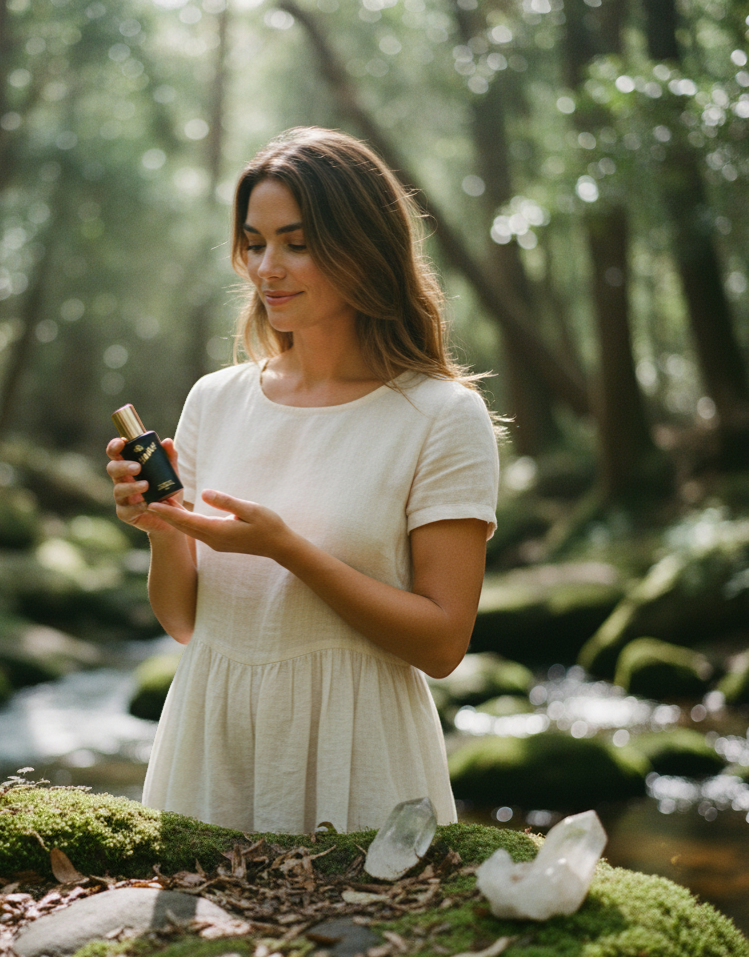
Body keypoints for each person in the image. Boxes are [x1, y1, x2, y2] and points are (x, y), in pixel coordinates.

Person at [107, 127, 499, 835]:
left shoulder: (441, 416)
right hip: (211, 743)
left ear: (363, 246)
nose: (267, 269)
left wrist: (289, 551)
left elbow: (443, 644)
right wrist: (165, 527)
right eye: (254, 243)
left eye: (296, 242)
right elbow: (183, 619)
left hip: (360, 755)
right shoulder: (215, 399)